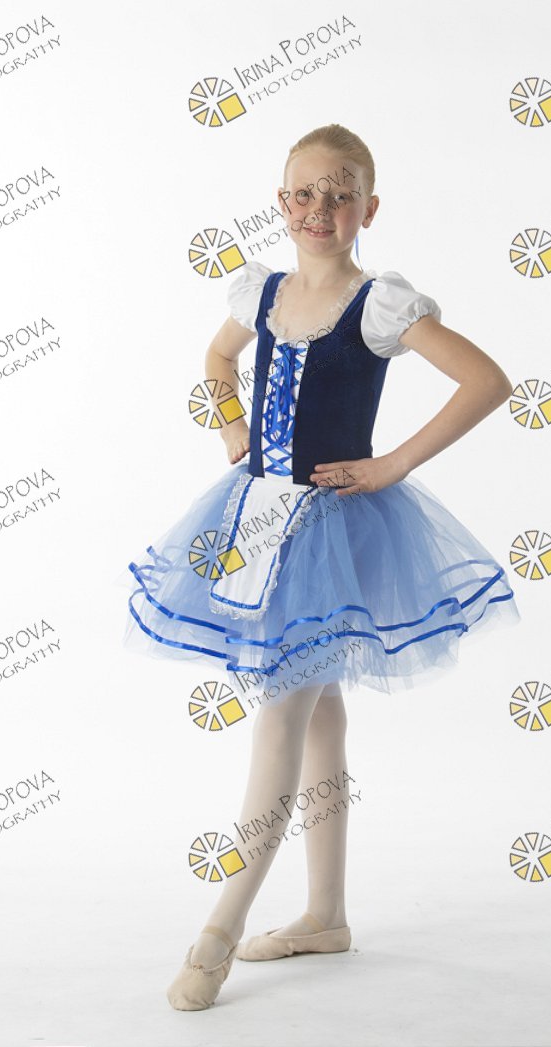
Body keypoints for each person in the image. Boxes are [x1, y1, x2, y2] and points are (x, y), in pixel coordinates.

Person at [123, 122, 521, 1011]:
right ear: (281, 202)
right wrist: (231, 426)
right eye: (304, 193)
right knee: (319, 715)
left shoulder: (379, 306)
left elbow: (487, 381)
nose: (320, 209)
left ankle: (218, 933)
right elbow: (217, 358)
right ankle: (326, 915)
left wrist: (391, 464)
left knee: (278, 717)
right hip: (258, 523)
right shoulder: (260, 291)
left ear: (367, 210)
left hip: (332, 530)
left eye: (341, 195)